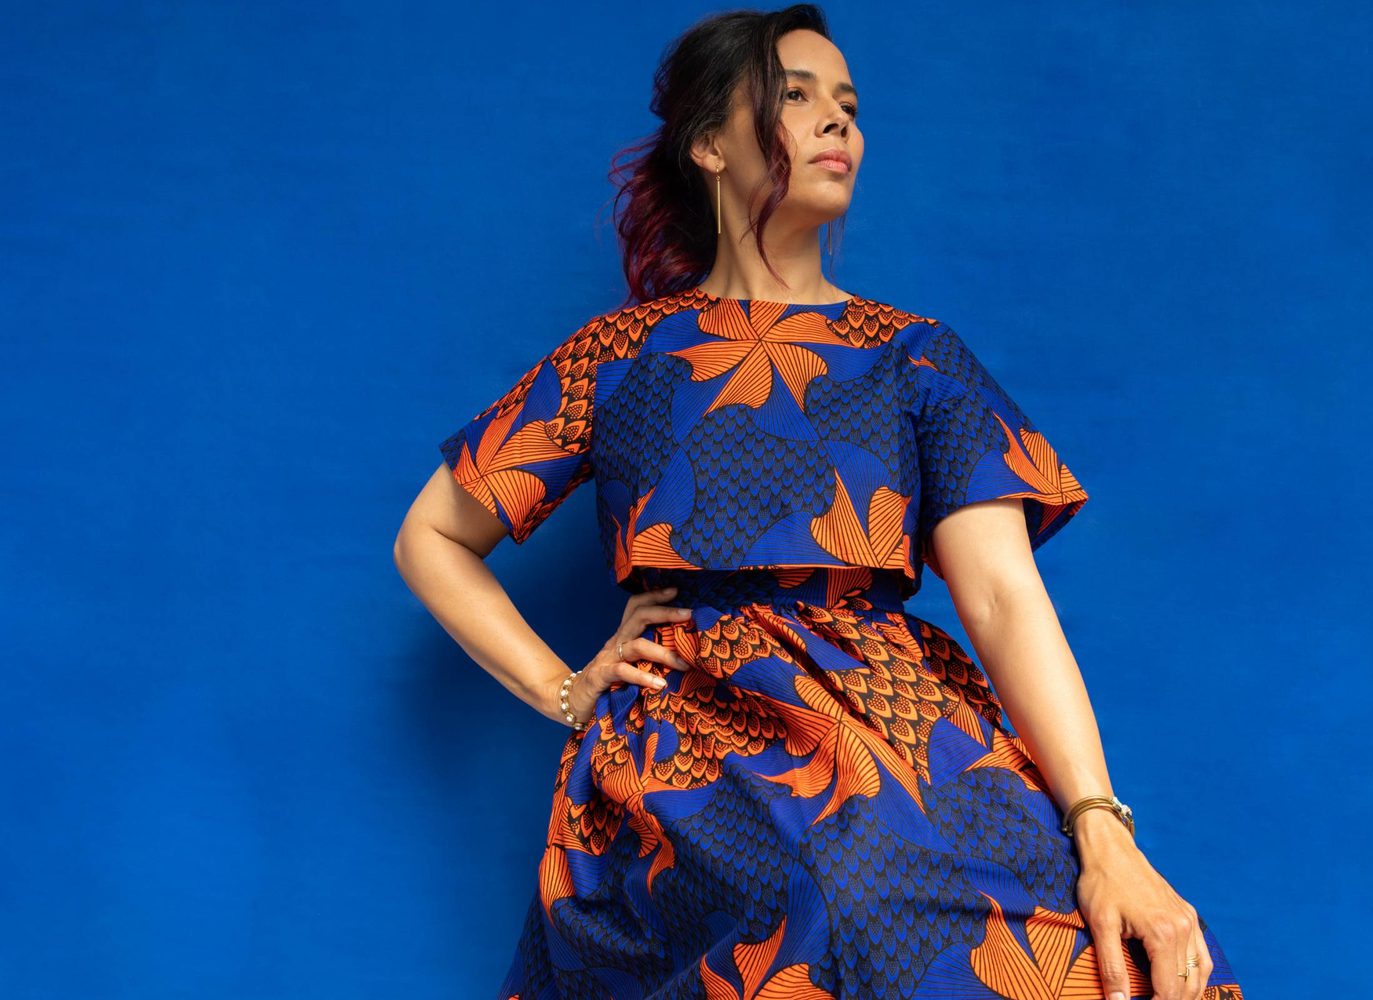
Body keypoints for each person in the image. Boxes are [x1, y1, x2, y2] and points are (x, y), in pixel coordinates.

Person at [395, 7, 1246, 999]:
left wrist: (1105, 834)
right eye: (795, 97)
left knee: (1123, 961)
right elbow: (432, 537)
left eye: (848, 104)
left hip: (903, 727)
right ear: (709, 144)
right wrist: (560, 689)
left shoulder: (914, 355)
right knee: (845, 918)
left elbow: (1006, 600)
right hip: (698, 747)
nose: (837, 122)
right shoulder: (618, 356)